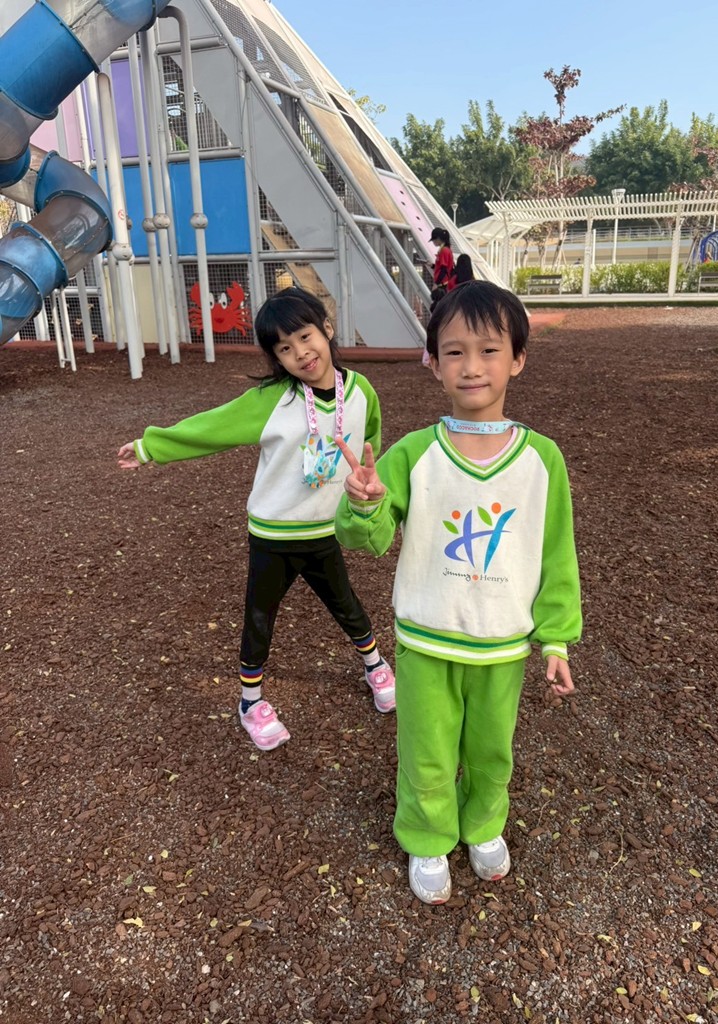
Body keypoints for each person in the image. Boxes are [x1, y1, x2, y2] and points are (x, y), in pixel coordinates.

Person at [334, 281, 581, 904]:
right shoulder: (415, 453)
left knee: (492, 750)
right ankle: (427, 835)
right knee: (427, 752)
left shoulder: (542, 460)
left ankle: (484, 825)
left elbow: (556, 553)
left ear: (518, 358)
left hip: (501, 644)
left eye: (489, 350)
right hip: (426, 638)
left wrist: (556, 638)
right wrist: (363, 502)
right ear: (433, 362)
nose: (472, 366)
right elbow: (368, 538)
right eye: (453, 351)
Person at [117, 287, 395, 752]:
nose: (300, 353)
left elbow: (369, 443)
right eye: (284, 348)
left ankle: (375, 666)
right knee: (260, 617)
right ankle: (250, 702)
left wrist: (366, 485)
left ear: (327, 329)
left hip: (324, 528)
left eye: (305, 337)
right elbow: (214, 426)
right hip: (273, 534)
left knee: (345, 602)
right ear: (276, 358)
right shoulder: (272, 400)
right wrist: (151, 447)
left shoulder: (361, 390)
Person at [428, 227, 455, 296]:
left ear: (438, 238)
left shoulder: (444, 250)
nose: (433, 242)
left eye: (434, 240)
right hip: (444, 283)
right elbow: (442, 267)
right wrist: (432, 265)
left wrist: (436, 283)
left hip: (443, 284)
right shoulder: (446, 249)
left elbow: (444, 269)